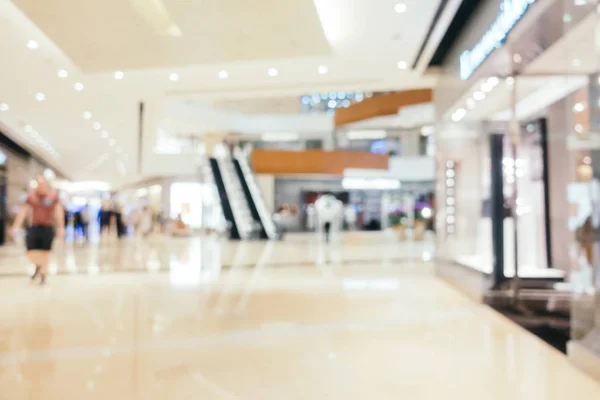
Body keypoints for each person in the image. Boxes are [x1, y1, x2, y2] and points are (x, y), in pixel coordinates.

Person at [10, 175, 65, 285]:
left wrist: (61, 227)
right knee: (29, 251)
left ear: (46, 185)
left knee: (45, 253)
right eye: (38, 183)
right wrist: (16, 225)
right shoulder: (31, 197)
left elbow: (58, 212)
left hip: (47, 228)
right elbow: (23, 211)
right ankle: (40, 267)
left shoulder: (53, 197)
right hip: (34, 227)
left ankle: (43, 275)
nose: (40, 186)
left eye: (42, 183)